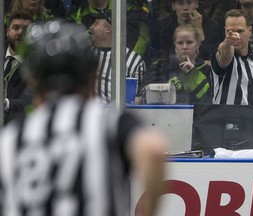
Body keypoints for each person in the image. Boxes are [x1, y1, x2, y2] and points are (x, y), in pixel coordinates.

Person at [0, 20, 167, 216]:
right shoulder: (107, 121)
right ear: (92, 76)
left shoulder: (11, 137)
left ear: (32, 79)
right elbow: (153, 149)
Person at [144, 24, 212, 104]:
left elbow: (208, 102)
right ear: (175, 46)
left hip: (195, 115)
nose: (184, 47)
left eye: (189, 42)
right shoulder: (160, 66)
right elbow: (146, 98)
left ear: (198, 45)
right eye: (180, 43)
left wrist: (193, 74)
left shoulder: (206, 70)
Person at [88, 11, 146, 104]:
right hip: (90, 114)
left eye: (95, 24)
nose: (91, 27)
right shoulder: (85, 55)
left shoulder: (134, 61)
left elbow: (137, 98)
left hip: (114, 115)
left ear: (108, 28)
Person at [3, 10, 34, 124]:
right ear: (7, 31)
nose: (20, 32)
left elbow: (28, 102)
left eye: (26, 30)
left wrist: (5, 103)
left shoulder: (35, 65)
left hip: (14, 128)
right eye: (16, 28)